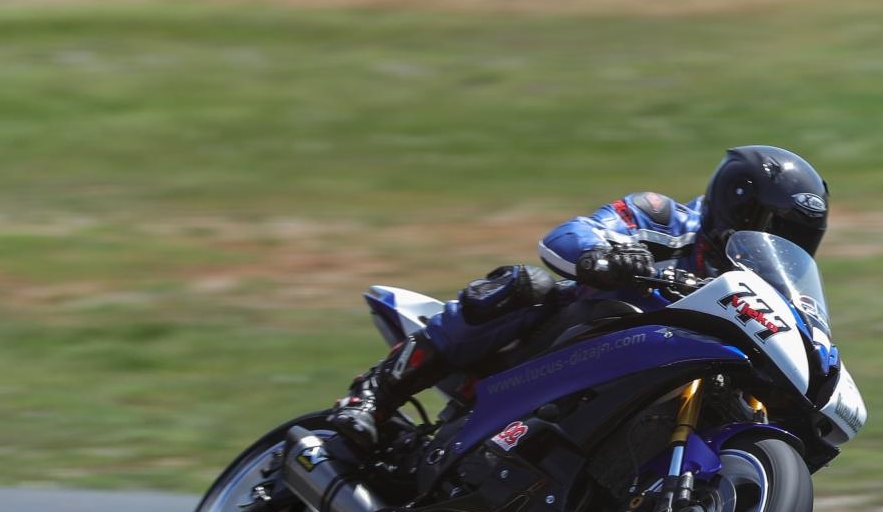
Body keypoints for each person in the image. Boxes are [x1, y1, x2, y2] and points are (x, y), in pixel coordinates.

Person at [327, 145, 830, 450]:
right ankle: (373, 395)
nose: (776, 244)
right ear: (736, 204)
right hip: (567, 341)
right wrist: (605, 257)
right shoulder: (663, 217)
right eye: (771, 228)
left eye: (794, 239)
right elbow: (566, 236)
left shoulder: (763, 288)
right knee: (526, 285)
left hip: (656, 381)